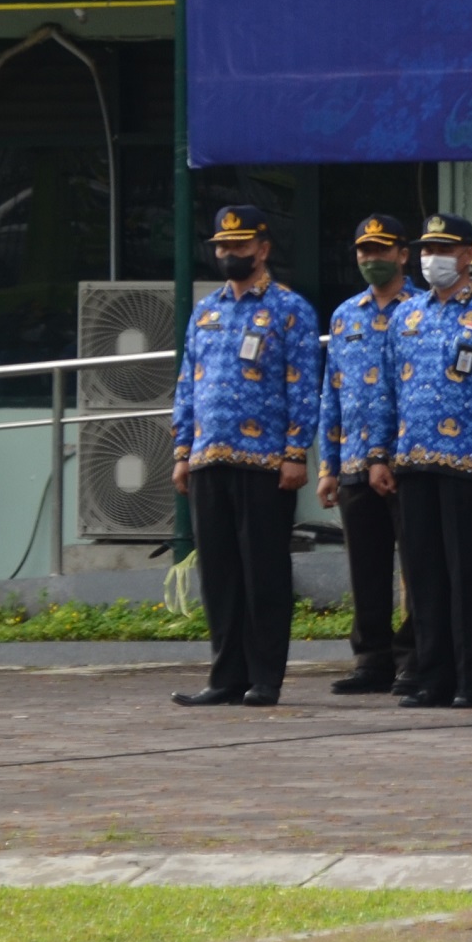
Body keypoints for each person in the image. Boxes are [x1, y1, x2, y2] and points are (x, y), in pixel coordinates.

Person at [168, 205, 318, 707]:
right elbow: (188, 384)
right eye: (221, 245)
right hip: (209, 458)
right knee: (219, 575)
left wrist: (296, 452)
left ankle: (265, 677)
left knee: (264, 573)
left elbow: (303, 386)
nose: (229, 253)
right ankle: (225, 675)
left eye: (239, 245)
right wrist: (181, 450)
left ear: (263, 248)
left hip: (265, 462)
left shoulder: (289, 309)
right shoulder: (206, 310)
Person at [384, 214, 472, 710]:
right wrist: (381, 455)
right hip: (414, 461)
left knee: (470, 576)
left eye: (441, 249)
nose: (430, 257)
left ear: (466, 256)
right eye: (425, 249)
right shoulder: (407, 315)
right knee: (425, 577)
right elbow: (389, 391)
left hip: (470, 465)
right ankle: (431, 676)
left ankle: (469, 679)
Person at [314, 214, 407, 695]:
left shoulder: (421, 310)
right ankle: (371, 659)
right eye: (364, 251)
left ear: (402, 255)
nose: (372, 259)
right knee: (366, 567)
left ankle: (415, 656)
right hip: (351, 461)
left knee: (418, 566)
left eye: (381, 250)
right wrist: (327, 466)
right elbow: (332, 392)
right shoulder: (346, 314)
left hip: (408, 461)